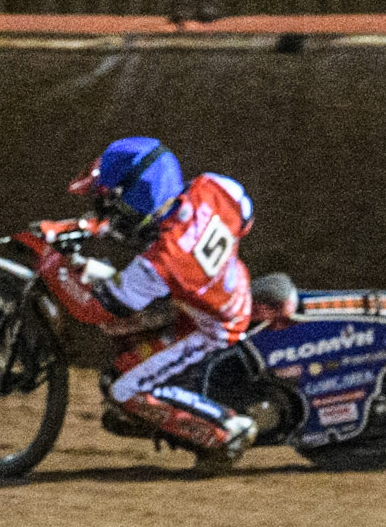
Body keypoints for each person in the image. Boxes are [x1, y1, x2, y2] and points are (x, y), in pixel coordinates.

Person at [40, 136, 292, 470]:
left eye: (117, 203)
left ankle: (224, 431)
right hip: (223, 289)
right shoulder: (214, 187)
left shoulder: (162, 263)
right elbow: (245, 218)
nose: (113, 210)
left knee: (123, 388)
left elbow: (93, 309)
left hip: (210, 327)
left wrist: (54, 266)